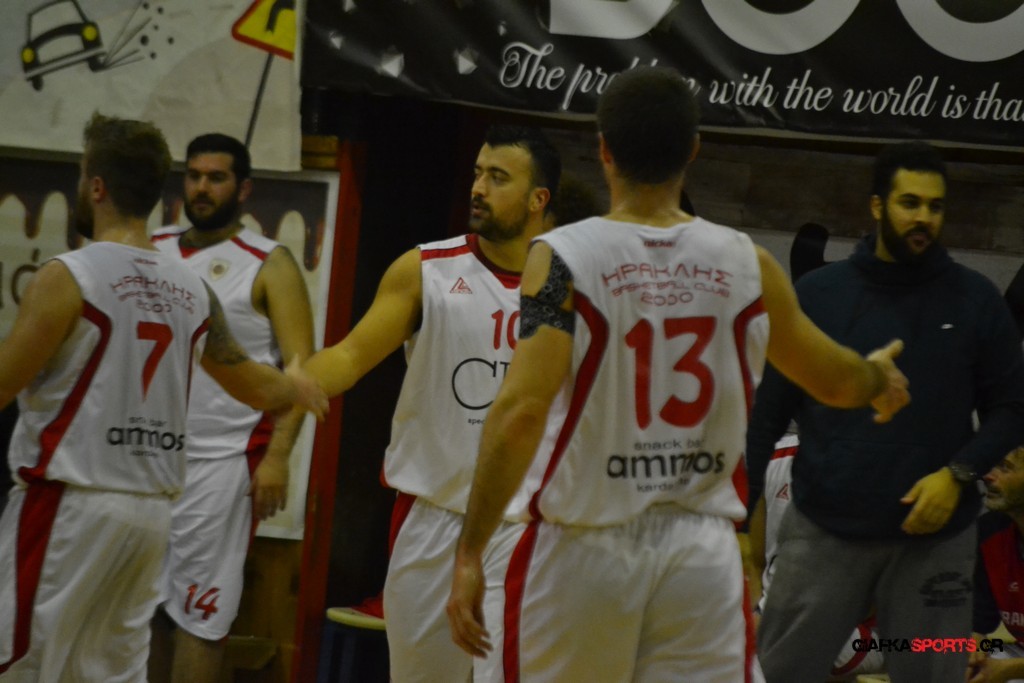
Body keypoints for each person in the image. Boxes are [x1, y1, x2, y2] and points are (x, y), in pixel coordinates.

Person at [446, 66, 909, 682]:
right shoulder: (748, 263)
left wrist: (471, 550)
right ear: (693, 150)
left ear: (604, 151)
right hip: (700, 556)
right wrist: (878, 377)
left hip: (585, 544)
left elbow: (521, 411)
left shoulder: (562, 257)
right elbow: (835, 382)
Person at [0, 113, 326, 681]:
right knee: (109, 672)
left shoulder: (70, 274)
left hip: (71, 503)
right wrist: (298, 386)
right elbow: (255, 384)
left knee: (21, 665)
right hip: (148, 513)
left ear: (96, 186)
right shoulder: (191, 287)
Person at [272, 124, 560, 682]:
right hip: (434, 518)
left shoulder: (570, 285)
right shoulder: (425, 269)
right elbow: (350, 354)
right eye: (477, 173)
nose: (478, 188)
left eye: (498, 178)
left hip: (526, 525)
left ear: (537, 199)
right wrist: (297, 383)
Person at [748, 141, 1024, 683]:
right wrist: (739, 520)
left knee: (934, 675)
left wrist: (958, 474)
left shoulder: (975, 300)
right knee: (779, 674)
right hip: (824, 532)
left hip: (936, 544)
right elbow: (767, 416)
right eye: (910, 202)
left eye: (935, 206)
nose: (924, 217)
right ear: (877, 206)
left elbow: (1013, 407)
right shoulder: (819, 295)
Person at [146, 134, 315, 682]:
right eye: (194, 175)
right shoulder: (151, 247)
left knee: (200, 613)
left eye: (216, 177)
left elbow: (302, 371)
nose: (201, 187)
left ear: (243, 189)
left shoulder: (270, 263)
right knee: (142, 611)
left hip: (222, 461)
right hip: (143, 452)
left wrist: (279, 456)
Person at [747, 433, 884, 680]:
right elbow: (756, 563)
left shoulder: (881, 465)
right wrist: (755, 619)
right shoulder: (772, 457)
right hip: (782, 620)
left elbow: (879, 587)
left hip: (866, 631)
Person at [968, 446, 1024, 683]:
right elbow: (979, 622)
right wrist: (971, 653)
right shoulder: (990, 531)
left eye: (1005, 467)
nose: (988, 476)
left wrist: (1011, 670)